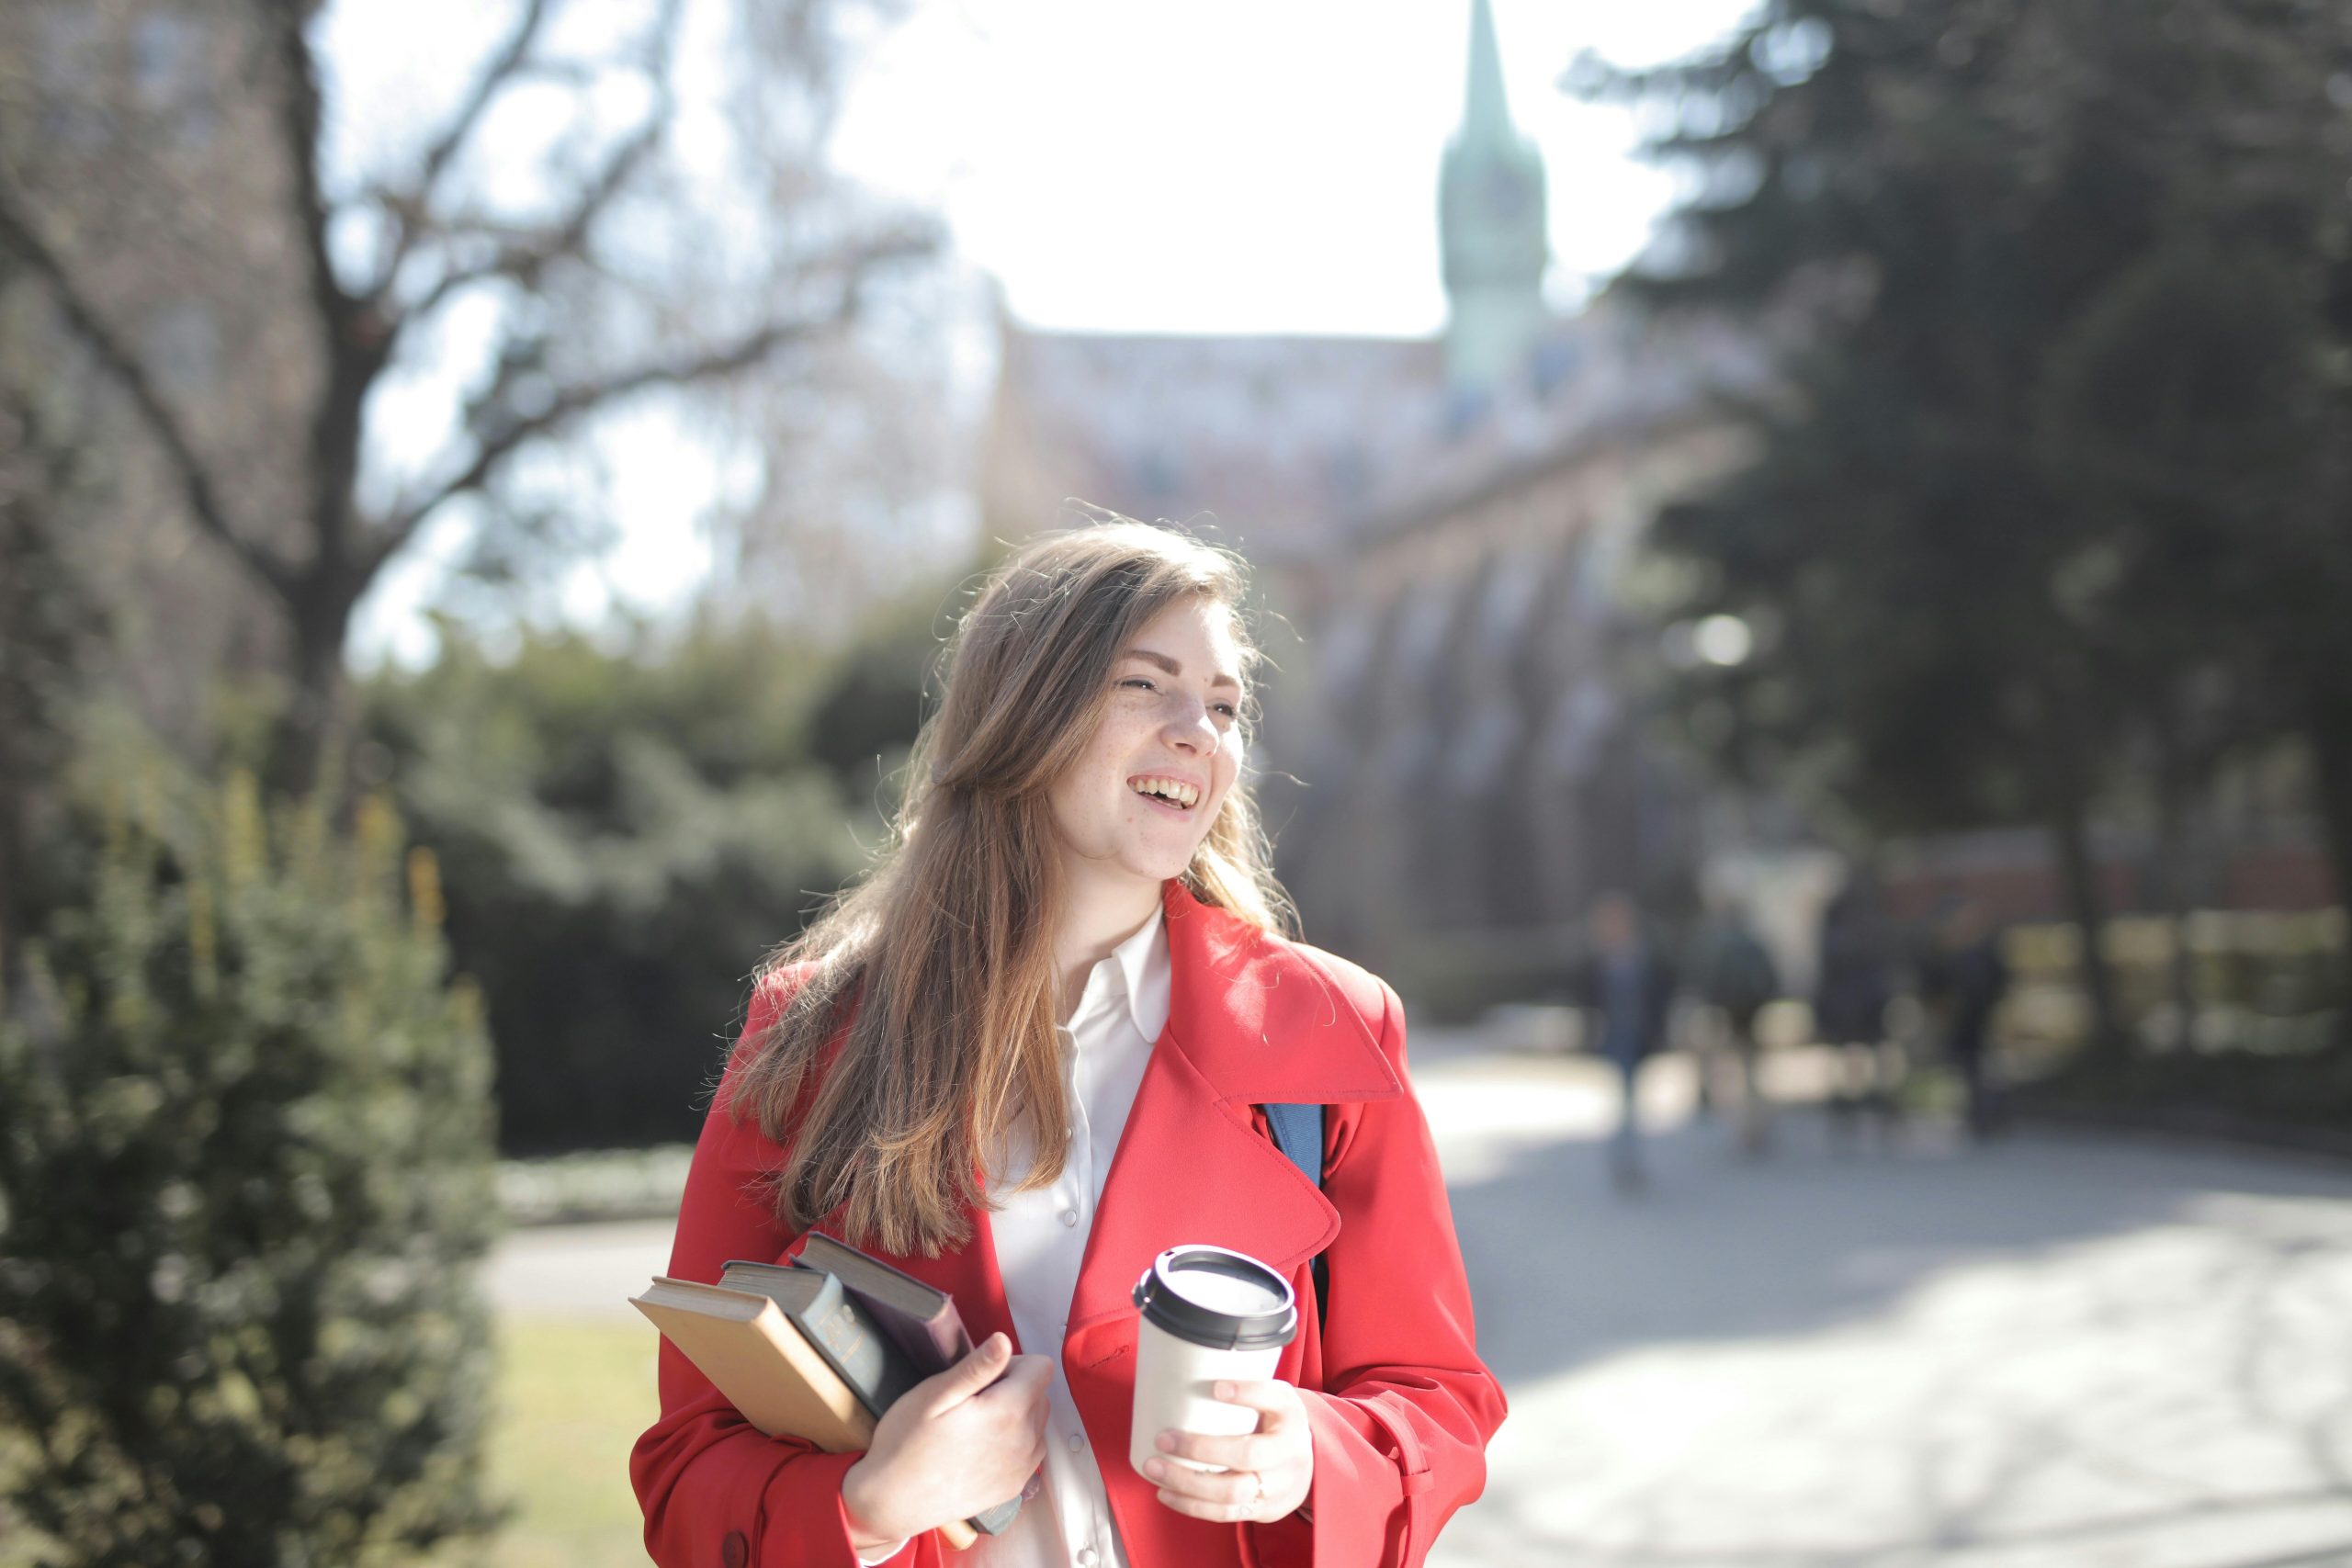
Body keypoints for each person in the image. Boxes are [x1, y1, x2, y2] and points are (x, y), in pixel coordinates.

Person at [630, 520, 1506, 1568]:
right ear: (1024, 714)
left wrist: (1315, 1457)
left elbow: (1437, 1401)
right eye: (1146, 685)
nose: (1200, 731)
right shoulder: (813, 1035)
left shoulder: (1331, 1033)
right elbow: (689, 1464)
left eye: (1224, 706)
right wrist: (864, 1508)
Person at [1572, 892, 1674, 1192]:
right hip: (1614, 1038)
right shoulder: (1599, 960)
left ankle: (1627, 1158)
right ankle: (1625, 1160)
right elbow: (1589, 1003)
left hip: (1637, 1036)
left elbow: (1659, 997)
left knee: (1630, 1102)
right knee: (1625, 1102)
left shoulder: (1644, 956)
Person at [1686, 897, 1781, 1156]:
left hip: (1728, 1015)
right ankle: (1752, 1127)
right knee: (1750, 1075)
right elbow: (1772, 979)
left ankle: (1738, 1123)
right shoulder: (1753, 944)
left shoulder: (1721, 945)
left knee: (1727, 1072)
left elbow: (1707, 979)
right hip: (1750, 1016)